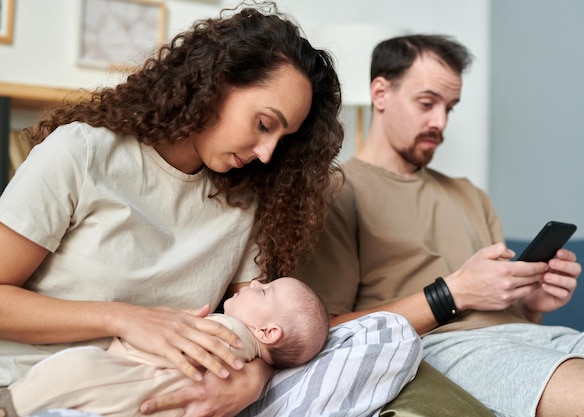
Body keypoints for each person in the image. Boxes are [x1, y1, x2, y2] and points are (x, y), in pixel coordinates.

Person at [0, 2, 421, 417]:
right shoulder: (84, 153)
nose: (268, 154)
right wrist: (123, 319)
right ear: (215, 84)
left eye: (282, 138)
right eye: (263, 124)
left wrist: (252, 380)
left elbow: (261, 330)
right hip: (41, 388)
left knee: (386, 337)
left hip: (172, 395)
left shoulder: (246, 199)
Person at [297, 33, 584, 417]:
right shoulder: (336, 191)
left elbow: (508, 314)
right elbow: (328, 332)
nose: (440, 122)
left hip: (539, 338)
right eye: (427, 103)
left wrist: (531, 305)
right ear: (380, 93)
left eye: (449, 107)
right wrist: (451, 294)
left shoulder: (470, 195)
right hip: (447, 348)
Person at [0, 277, 329, 417]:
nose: (255, 282)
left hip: (121, 385)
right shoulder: (242, 348)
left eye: (265, 290)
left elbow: (167, 348)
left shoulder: (229, 332)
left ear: (269, 332)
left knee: (77, 370)